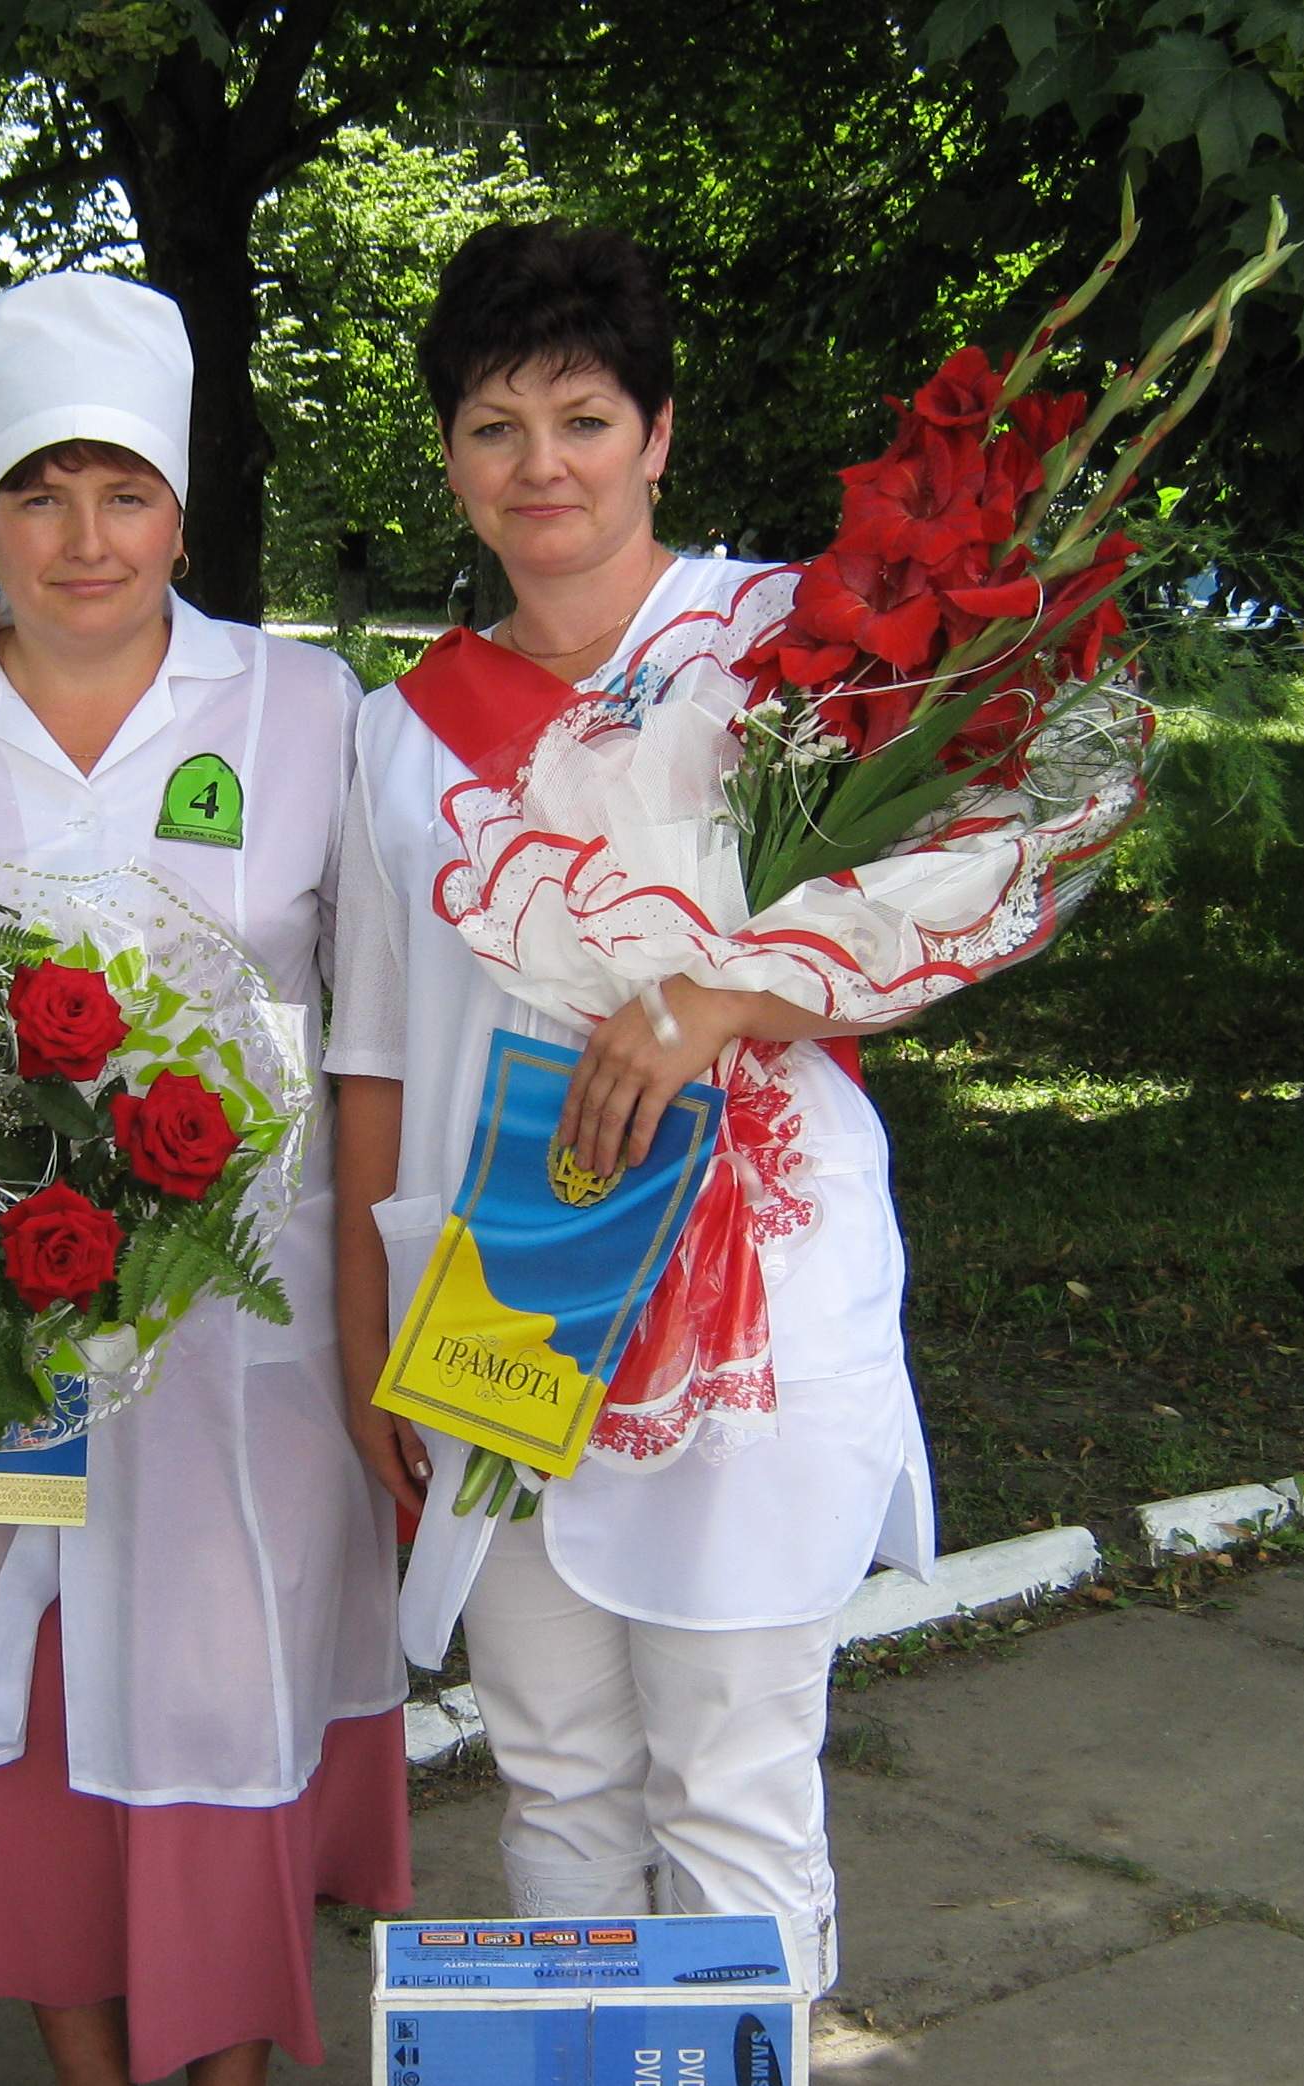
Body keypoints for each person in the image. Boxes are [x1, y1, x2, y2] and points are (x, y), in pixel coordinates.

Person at [0, 272, 408, 2086]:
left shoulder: (302, 707)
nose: (84, 540)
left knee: (229, 1682)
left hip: (243, 1327)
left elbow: (372, 1016)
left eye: (124, 493)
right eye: (37, 496)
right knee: (21, 1685)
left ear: (183, 515)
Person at [328, 223, 932, 1996]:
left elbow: (905, 927)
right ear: (452, 458)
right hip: (502, 1284)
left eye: (583, 419)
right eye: (495, 427)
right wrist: (365, 1333)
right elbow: (377, 1048)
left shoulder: (785, 646)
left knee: (734, 1779)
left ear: (658, 434)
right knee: (554, 1769)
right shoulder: (402, 736)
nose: (543, 466)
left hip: (753, 1287)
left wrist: (715, 1002)